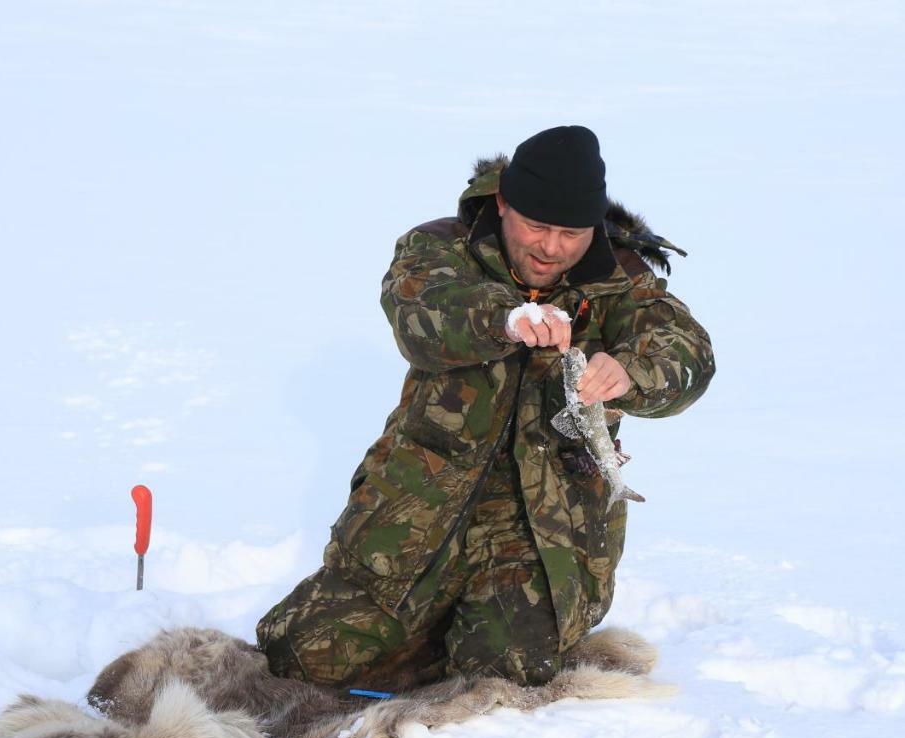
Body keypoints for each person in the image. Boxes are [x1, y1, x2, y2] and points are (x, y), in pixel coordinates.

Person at [256, 126, 715, 689]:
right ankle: (420, 625)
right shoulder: (439, 248)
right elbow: (420, 316)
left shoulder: (620, 277)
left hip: (544, 529)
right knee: (300, 657)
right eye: (537, 226)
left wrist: (632, 373)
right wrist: (503, 319)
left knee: (502, 672)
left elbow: (688, 352)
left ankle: (480, 630)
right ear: (503, 204)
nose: (551, 247)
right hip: (419, 505)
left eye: (571, 233)